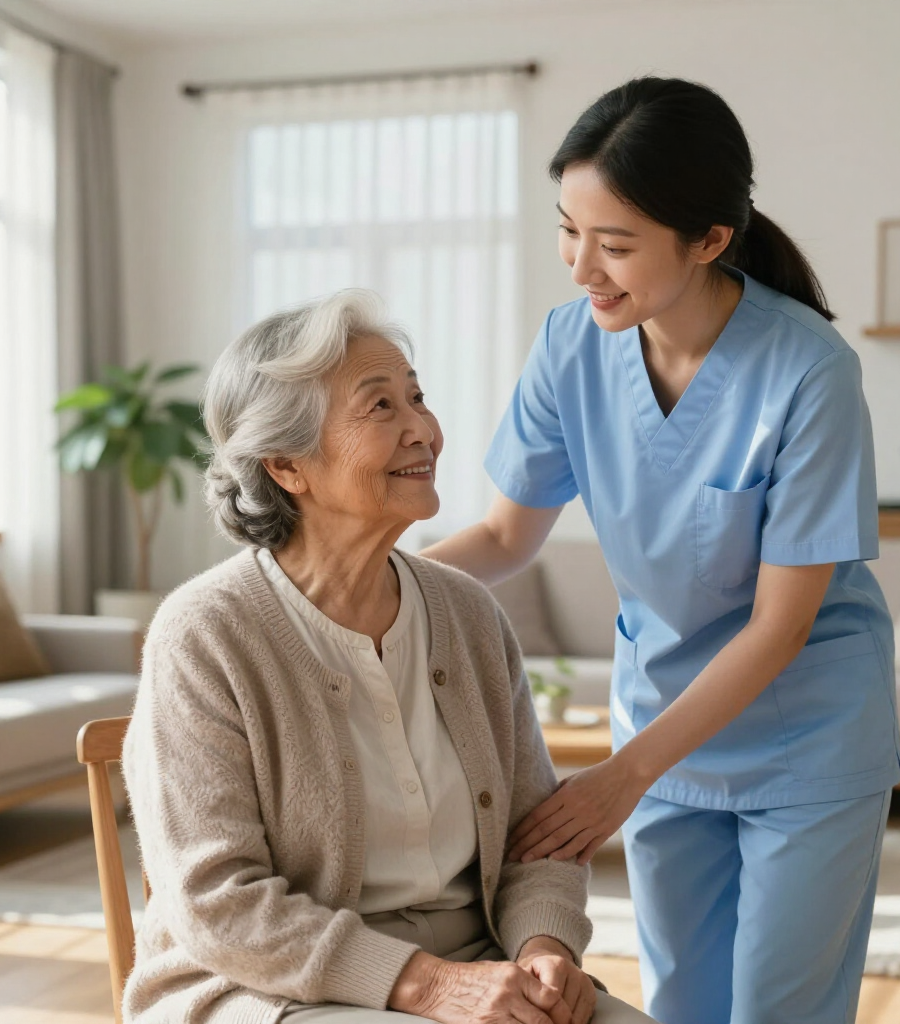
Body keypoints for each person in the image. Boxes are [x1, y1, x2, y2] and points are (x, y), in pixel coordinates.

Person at [423, 77, 900, 1024]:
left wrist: (622, 775)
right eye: (568, 230)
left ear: (710, 240)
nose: (580, 267)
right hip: (664, 726)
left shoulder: (809, 371)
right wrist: (344, 583)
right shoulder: (570, 347)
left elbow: (777, 629)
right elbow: (505, 536)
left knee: (779, 1010)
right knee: (683, 1004)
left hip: (804, 737)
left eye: (614, 244)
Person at [121, 290, 653, 1024]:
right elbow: (215, 903)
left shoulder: (468, 612)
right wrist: (430, 986)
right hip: (266, 984)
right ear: (286, 466)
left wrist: (543, 950)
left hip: (479, 960)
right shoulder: (205, 633)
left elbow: (537, 839)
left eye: (418, 398)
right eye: (380, 408)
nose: (424, 431)